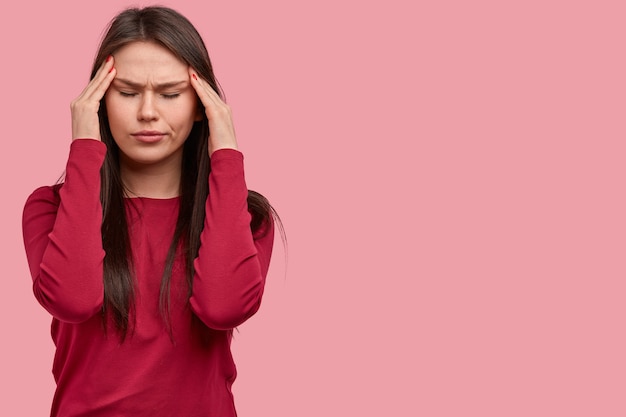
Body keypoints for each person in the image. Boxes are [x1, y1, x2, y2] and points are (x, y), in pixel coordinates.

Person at [22, 6, 280, 416]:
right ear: (98, 102)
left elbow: (223, 307)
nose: (147, 112)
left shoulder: (246, 217)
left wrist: (226, 152)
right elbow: (73, 300)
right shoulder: (49, 209)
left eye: (170, 93)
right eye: (126, 93)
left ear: (202, 105)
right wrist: (84, 149)